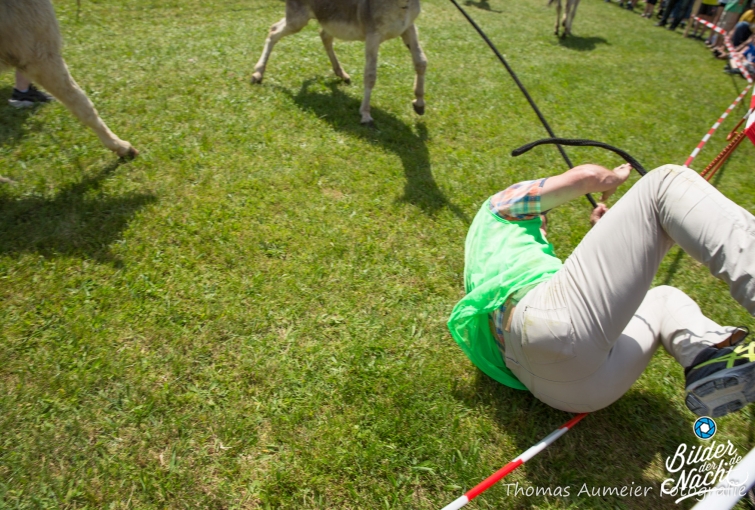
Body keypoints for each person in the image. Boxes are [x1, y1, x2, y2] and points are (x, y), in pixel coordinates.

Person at [448, 163, 755, 416]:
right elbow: (585, 177)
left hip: (569, 394)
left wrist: (608, 233)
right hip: (546, 325)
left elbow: (576, 314)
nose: (544, 225)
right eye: (543, 217)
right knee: (665, 184)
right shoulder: (499, 207)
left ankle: (708, 356)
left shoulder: (485, 262)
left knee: (665, 300)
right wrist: (613, 178)